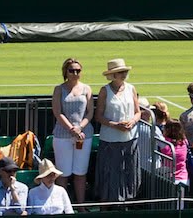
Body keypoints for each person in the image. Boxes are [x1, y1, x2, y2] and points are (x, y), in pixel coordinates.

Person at [96, 58, 140, 204]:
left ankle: (125, 205)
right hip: (110, 139)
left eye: (125, 72)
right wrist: (115, 125)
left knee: (129, 173)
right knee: (109, 174)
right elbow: (99, 116)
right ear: (113, 75)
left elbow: (137, 112)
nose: (124, 74)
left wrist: (132, 122)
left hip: (130, 138)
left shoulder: (131, 88)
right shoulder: (104, 91)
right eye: (120, 72)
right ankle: (105, 208)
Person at [51, 58, 93, 205]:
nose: (75, 73)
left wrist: (79, 128)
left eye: (78, 70)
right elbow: (58, 112)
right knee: (63, 174)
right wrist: (71, 129)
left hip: (83, 136)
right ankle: (63, 206)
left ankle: (80, 206)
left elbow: (90, 112)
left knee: (80, 173)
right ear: (65, 72)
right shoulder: (59, 89)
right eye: (72, 70)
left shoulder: (87, 88)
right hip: (62, 136)